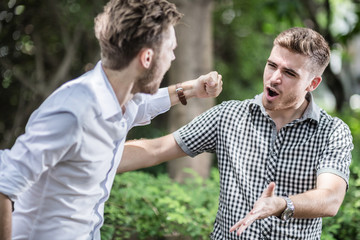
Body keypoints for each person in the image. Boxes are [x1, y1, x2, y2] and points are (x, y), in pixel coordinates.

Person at [0, 0, 223, 239]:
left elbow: (145, 103)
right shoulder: (73, 112)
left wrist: (191, 89)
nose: (173, 57)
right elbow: (4, 185)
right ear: (147, 58)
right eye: (171, 50)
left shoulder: (121, 99)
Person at [118, 27, 354, 239]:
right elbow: (155, 150)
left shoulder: (332, 132)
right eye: (272, 65)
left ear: (312, 84)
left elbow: (331, 198)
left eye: (290, 73)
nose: (274, 78)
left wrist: (282, 204)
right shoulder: (228, 116)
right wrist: (92, 158)